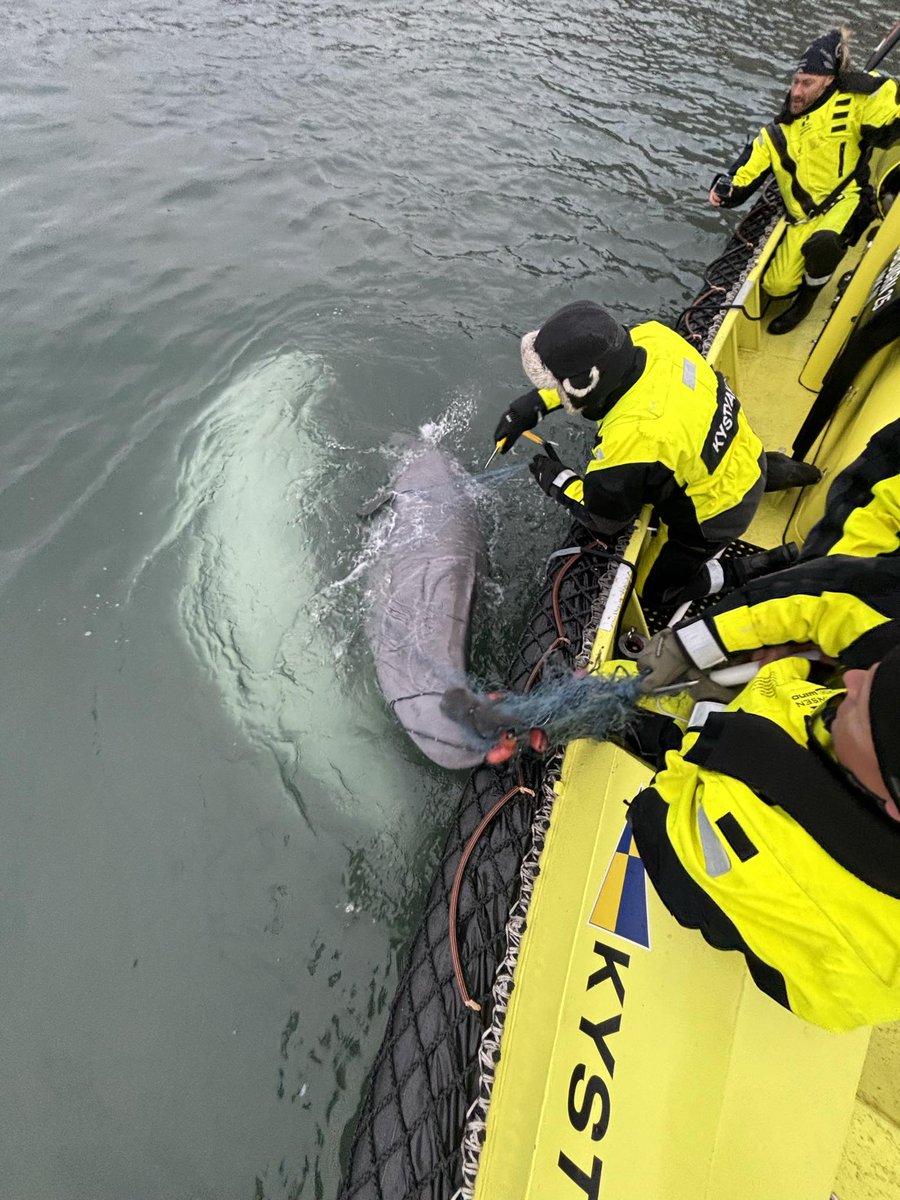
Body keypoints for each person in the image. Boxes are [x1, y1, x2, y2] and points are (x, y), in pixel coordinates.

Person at [492, 298, 819, 608]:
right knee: (701, 454)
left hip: (717, 515)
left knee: (654, 593)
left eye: (558, 386)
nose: (557, 392)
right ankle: (796, 472)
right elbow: (603, 372)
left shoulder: (633, 440)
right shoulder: (653, 336)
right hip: (745, 451)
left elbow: (604, 519)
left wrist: (556, 479)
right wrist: (534, 405)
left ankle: (750, 568)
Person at [709, 26, 900, 334]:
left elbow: (891, 122)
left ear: (829, 81)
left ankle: (808, 300)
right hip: (802, 218)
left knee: (822, 244)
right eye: (796, 82)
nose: (797, 92)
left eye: (807, 83)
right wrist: (725, 188)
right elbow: (744, 172)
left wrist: (878, 86)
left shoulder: (854, 103)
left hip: (845, 200)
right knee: (777, 285)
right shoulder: (777, 134)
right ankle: (800, 282)